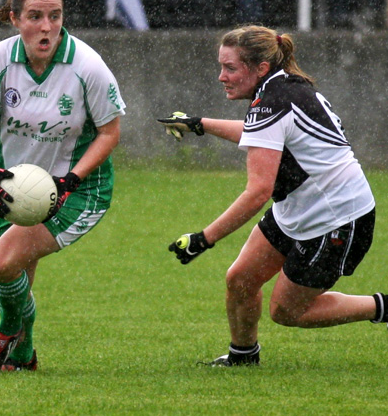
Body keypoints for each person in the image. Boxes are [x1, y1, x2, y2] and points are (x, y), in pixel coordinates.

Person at [158, 25, 385, 367]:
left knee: (287, 312)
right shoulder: (279, 90)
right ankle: (243, 356)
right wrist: (200, 123)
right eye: (221, 67)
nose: (222, 76)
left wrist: (203, 239)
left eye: (230, 68)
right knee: (241, 280)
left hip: (336, 218)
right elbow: (258, 133)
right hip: (298, 209)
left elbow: (257, 193)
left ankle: (382, 307)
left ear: (260, 68)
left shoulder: (274, 100)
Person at [0, 0, 125, 374]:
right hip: (17, 190)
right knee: (18, 271)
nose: (47, 27)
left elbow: (110, 132)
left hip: (79, 191)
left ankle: (4, 336)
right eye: (35, 17)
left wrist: (69, 180)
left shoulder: (87, 65)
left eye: (55, 16)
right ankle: (23, 355)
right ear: (15, 19)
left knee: (3, 263)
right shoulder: (0, 58)